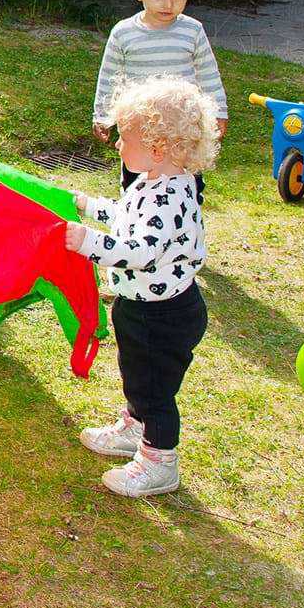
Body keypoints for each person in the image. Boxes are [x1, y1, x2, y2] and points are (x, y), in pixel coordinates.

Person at [67, 76, 219, 498]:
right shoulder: (155, 181)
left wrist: (87, 243)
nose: (118, 145)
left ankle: (159, 462)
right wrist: (87, 206)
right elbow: (124, 215)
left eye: (125, 138)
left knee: (155, 390)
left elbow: (140, 250)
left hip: (163, 315)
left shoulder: (170, 196)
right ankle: (135, 429)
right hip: (142, 306)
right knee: (138, 377)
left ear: (156, 147)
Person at [92, 0, 228, 190]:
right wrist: (102, 116)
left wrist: (218, 112)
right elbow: (109, 76)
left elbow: (208, 74)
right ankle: (134, 218)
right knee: (137, 182)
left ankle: (185, 218)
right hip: (140, 126)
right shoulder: (123, 33)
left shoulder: (193, 30)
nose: (168, 5)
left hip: (181, 125)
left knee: (187, 181)